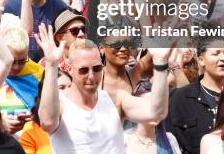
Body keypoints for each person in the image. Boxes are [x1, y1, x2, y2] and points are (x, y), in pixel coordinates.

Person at [36, 24, 173, 153]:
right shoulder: (60, 104)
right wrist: (52, 65)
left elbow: (156, 112)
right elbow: (47, 122)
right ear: (70, 70)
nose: (91, 76)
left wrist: (160, 63)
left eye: (96, 69)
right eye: (83, 70)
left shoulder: (116, 99)